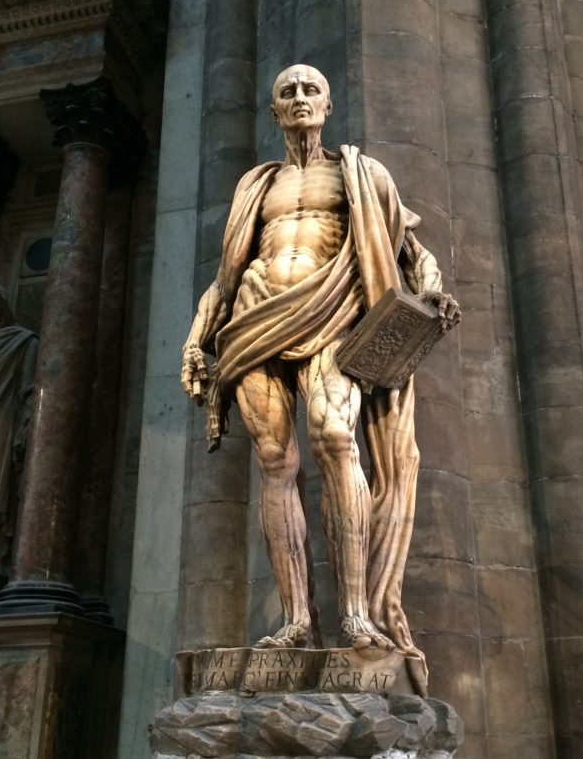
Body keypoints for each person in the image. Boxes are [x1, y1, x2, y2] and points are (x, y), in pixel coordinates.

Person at [181, 65, 459, 693]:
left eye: (311, 90)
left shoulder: (361, 173)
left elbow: (410, 251)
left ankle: (356, 613)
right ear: (274, 110)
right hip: (254, 314)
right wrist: (198, 337)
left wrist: (432, 291)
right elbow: (227, 276)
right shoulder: (257, 185)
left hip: (332, 312)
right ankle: (296, 622)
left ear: (329, 105)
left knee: (335, 438)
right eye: (288, 91)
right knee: (275, 461)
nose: (300, 98)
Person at [0, 284, 38, 571]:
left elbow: (30, 389)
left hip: (0, 419)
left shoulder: (23, 342)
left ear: (2, 305)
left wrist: (26, 428)